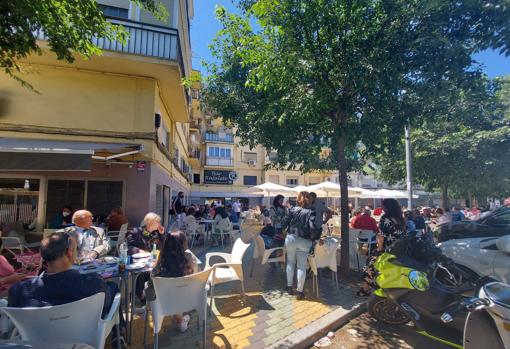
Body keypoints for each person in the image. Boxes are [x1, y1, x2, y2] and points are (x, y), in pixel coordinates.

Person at [8, 231, 118, 319]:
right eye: (76, 249)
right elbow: (106, 304)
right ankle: (119, 336)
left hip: (35, 341)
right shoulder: (92, 283)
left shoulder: (17, 291)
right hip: (83, 338)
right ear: (70, 253)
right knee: (113, 287)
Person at [143, 231, 198, 332]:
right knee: (179, 292)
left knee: (153, 287)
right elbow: (196, 279)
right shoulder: (190, 259)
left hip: (162, 304)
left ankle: (180, 319)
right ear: (183, 244)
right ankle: (181, 320)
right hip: (187, 300)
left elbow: (151, 281)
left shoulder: (160, 263)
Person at [358, 198, 407, 297]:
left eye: (383, 206)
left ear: (387, 207)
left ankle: (365, 289)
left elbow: (381, 236)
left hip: (388, 250)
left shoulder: (385, 218)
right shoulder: (400, 219)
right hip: (399, 251)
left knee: (369, 265)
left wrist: (378, 249)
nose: (382, 208)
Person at [282, 191, 320, 300]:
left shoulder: (292, 209)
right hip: (304, 240)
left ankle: (289, 287)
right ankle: (300, 291)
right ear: (309, 199)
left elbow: (284, 223)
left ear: (298, 199)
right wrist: (315, 238)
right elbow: (313, 228)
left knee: (290, 262)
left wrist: (285, 230)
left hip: (291, 238)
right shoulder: (311, 211)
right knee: (302, 266)